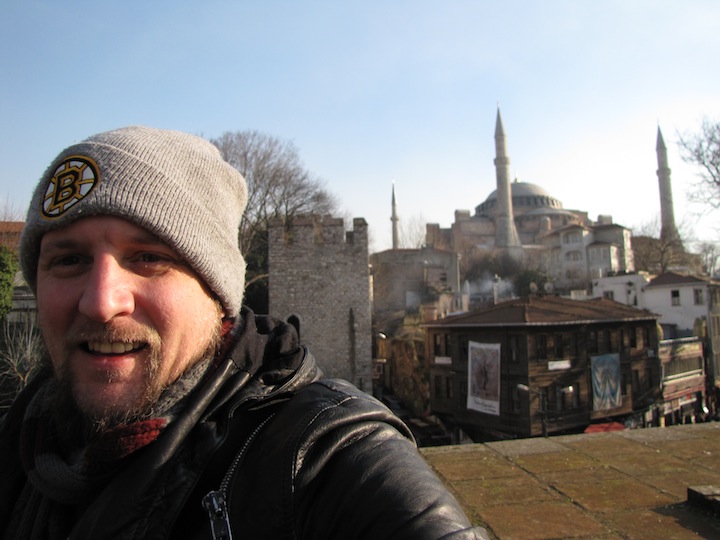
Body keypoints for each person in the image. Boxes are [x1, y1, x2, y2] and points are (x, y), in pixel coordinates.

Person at [0, 126, 487, 539]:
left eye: (149, 257)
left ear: (217, 294)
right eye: (68, 259)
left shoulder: (320, 458)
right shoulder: (22, 436)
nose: (101, 302)